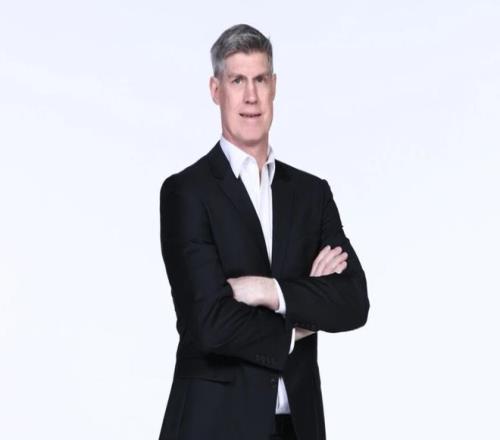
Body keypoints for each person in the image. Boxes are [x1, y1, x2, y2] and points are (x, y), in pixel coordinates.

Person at [158, 23, 369, 440]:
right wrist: (301, 321)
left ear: (274, 87)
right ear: (216, 90)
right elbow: (209, 322)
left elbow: (352, 301)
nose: (250, 96)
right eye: (237, 80)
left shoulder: (310, 194)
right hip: (214, 427)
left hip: (298, 426)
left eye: (259, 80)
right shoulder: (187, 192)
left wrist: (268, 290)